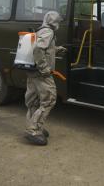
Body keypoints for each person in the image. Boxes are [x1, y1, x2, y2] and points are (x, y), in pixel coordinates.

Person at [24, 11, 66, 145]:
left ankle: (34, 126)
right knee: (49, 99)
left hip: (32, 72)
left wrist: (57, 49)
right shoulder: (49, 32)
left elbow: (44, 48)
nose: (59, 23)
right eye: (58, 21)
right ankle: (34, 130)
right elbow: (38, 49)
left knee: (33, 101)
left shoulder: (42, 30)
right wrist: (44, 69)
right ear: (54, 22)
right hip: (41, 74)